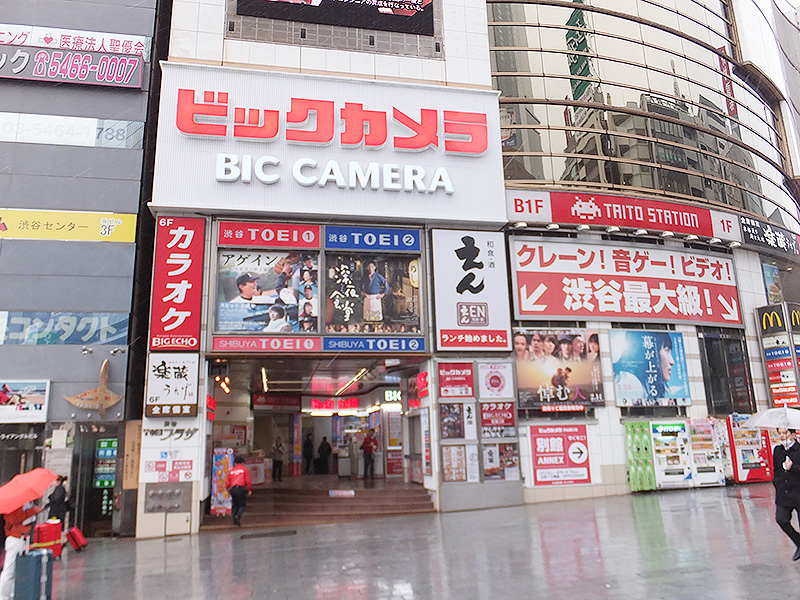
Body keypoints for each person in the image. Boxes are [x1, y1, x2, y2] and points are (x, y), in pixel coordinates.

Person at [0, 501, 43, 599]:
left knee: (15, 569)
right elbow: (15, 519)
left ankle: (10, 593)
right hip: (16, 537)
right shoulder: (16, 504)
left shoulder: (25, 502)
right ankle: (3, 596)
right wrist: (33, 511)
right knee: (9, 570)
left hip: (21, 537)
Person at [773, 427, 800, 560]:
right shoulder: (778, 451)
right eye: (780, 433)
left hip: (798, 493)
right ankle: (799, 542)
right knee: (781, 519)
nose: (782, 436)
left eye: (785, 433)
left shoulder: (799, 450)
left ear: (793, 434)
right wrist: (777, 483)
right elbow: (776, 469)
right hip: (783, 493)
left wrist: (793, 467)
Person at [224, 456, 252, 527]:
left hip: (233, 489)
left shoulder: (231, 471)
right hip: (241, 489)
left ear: (235, 463)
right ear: (242, 462)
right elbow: (248, 481)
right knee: (242, 505)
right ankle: (237, 516)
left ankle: (234, 520)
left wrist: (227, 490)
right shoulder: (244, 469)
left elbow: (227, 482)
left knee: (235, 505)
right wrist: (249, 490)